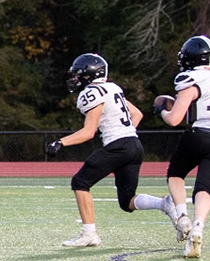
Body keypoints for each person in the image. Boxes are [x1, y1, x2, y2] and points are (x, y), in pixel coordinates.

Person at [46, 53, 174, 248]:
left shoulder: (92, 92)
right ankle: (164, 204)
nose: (76, 79)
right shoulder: (113, 88)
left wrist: (60, 142)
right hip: (134, 145)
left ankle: (89, 234)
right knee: (126, 201)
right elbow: (137, 114)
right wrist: (125, 133)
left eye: (79, 74)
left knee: (80, 182)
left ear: (89, 74)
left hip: (118, 146)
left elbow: (88, 132)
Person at [154, 35, 210, 259]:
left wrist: (162, 108)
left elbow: (174, 119)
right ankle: (199, 226)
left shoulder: (190, 78)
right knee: (204, 189)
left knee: (175, 174)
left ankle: (183, 218)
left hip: (200, 133)